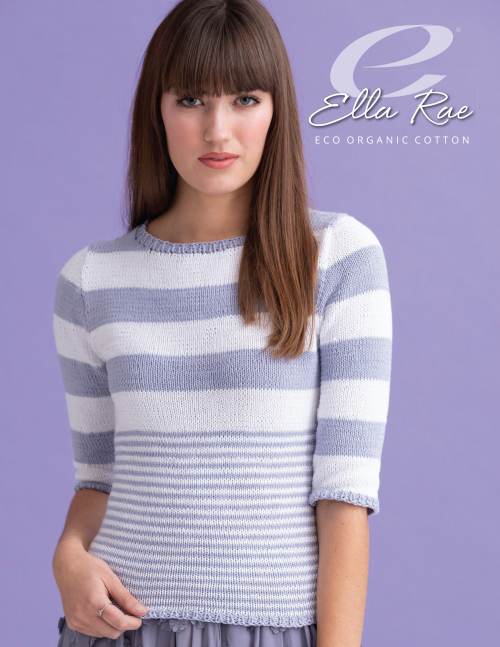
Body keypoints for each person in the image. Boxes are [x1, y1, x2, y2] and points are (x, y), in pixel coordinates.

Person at [51, 0, 393, 646]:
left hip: (274, 630)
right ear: (157, 109)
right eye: (190, 100)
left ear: (276, 110)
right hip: (121, 629)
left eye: (245, 99)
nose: (217, 130)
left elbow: (345, 499)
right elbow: (97, 480)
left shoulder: (337, 257)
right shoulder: (90, 280)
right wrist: (67, 554)